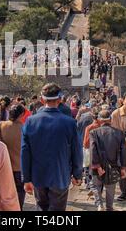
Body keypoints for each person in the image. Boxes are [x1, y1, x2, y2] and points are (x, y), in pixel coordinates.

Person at [21, 83, 82, 211]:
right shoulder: (70, 123)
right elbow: (77, 151)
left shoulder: (30, 122)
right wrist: (77, 174)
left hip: (38, 175)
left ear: (42, 100)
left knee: (41, 208)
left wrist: (26, 178)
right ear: (59, 100)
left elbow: (25, 152)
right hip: (60, 174)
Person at [90, 110, 126, 211]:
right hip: (114, 165)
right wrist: (123, 168)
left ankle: (99, 205)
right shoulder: (119, 133)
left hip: (98, 165)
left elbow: (93, 150)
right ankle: (109, 208)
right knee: (110, 189)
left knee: (96, 186)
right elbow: (123, 152)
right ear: (110, 119)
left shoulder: (94, 132)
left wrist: (97, 166)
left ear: (99, 120)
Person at [0, 104, 26, 209]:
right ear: (21, 115)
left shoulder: (1, 125)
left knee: (3, 194)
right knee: (19, 195)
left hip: (3, 167)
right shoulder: (25, 128)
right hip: (20, 169)